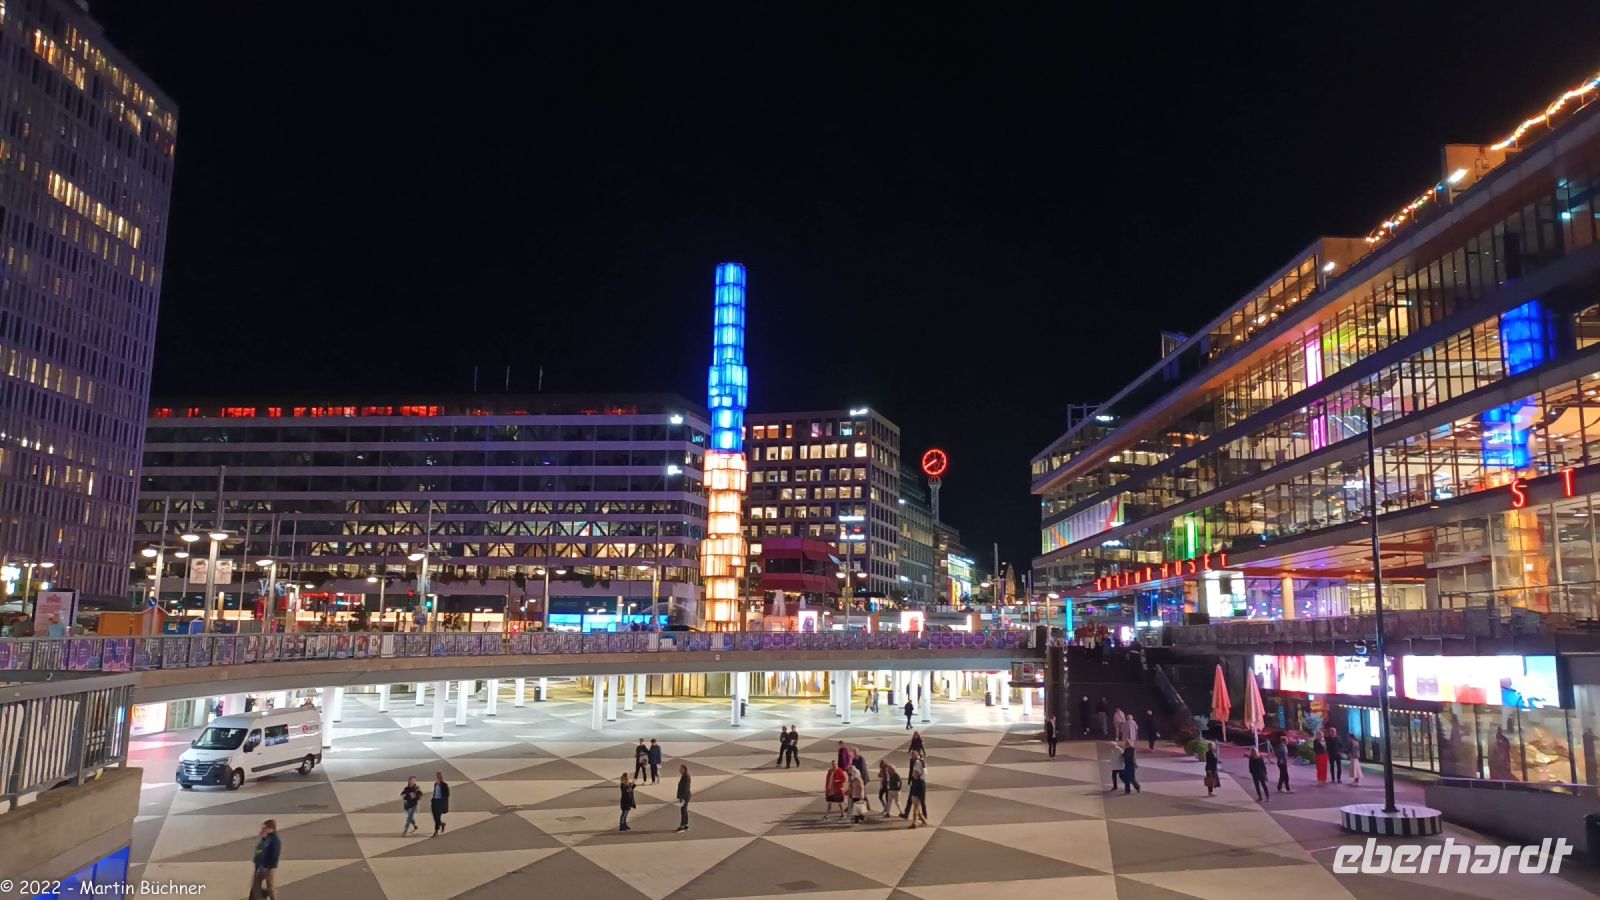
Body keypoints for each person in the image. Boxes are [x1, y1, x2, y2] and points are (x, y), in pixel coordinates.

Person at [250, 819, 281, 900]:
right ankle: (259, 897)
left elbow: (275, 855)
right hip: (262, 866)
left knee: (270, 886)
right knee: (256, 884)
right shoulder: (266, 839)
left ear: (271, 828)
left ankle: (269, 895)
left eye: (265, 827)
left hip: (268, 867)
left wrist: (270, 867)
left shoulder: (274, 840)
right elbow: (259, 851)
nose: (263, 829)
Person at [675, 764, 691, 832]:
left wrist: (682, 798)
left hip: (684, 797)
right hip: (684, 796)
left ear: (684, 769)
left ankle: (682, 827)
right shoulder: (684, 776)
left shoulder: (686, 777)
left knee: (683, 810)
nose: (679, 770)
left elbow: (686, 788)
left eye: (681, 769)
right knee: (684, 810)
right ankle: (686, 825)